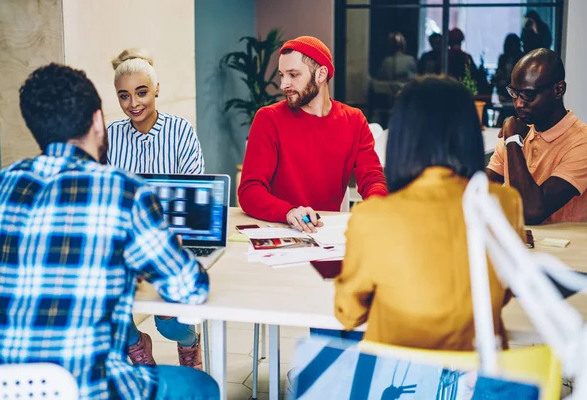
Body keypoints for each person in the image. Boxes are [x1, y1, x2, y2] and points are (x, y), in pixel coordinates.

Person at [0, 64, 218, 399]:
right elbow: (190, 289)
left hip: (6, 386)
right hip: (90, 388)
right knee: (201, 386)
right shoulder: (124, 191)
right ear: (98, 121)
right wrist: (174, 250)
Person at [334, 75, 525, 350]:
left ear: (401, 138)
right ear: (468, 134)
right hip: (477, 381)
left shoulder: (372, 216)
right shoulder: (506, 204)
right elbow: (503, 292)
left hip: (394, 381)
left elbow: (348, 313)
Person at [107, 48, 206, 369]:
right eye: (124, 96)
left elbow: (194, 195)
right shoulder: (111, 136)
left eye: (141, 92)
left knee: (167, 321)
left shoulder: (180, 130)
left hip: (171, 243)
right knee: (108, 314)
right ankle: (137, 345)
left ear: (157, 89)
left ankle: (190, 343)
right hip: (125, 246)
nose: (133, 103)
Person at [238, 35, 387, 233]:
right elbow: (249, 191)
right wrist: (288, 212)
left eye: (293, 74)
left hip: (326, 235)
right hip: (280, 232)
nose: (283, 85)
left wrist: (376, 207)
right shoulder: (268, 119)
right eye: (282, 75)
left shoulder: (354, 120)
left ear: (321, 74)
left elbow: (372, 178)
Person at [486, 49, 587, 224]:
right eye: (515, 93)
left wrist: (512, 142)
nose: (518, 103)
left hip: (566, 250)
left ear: (558, 90)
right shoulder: (519, 132)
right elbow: (479, 187)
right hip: (522, 247)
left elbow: (531, 211)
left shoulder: (581, 142)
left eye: (528, 95)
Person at [493, 34, 524, 101]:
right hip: (503, 91)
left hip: (518, 91)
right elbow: (499, 75)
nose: (511, 47)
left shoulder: (522, 59)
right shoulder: (502, 58)